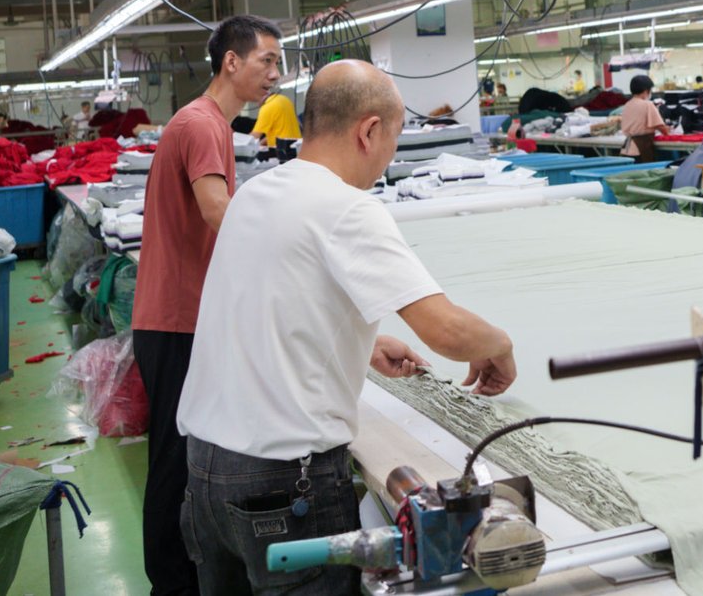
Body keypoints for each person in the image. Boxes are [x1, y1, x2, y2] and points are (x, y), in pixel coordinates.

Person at [176, 60, 517, 595]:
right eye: (395, 139)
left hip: (205, 472)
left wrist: (360, 343)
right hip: (283, 484)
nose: (389, 158)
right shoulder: (347, 209)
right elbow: (446, 331)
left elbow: (265, 302)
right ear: (369, 130)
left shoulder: (257, 194)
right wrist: (500, 343)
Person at [132, 15, 283, 596]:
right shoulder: (201, 124)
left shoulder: (212, 124)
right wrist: (288, 242)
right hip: (175, 321)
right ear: (231, 63)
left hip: (185, 317)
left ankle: (183, 576)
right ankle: (169, 585)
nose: (275, 73)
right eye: (267, 60)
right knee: (175, 460)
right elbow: (218, 211)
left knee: (186, 454)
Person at [620, 74, 671, 162]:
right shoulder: (647, 104)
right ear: (646, 90)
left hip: (627, 148)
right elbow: (660, 126)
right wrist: (668, 133)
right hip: (641, 148)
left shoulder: (627, 105)